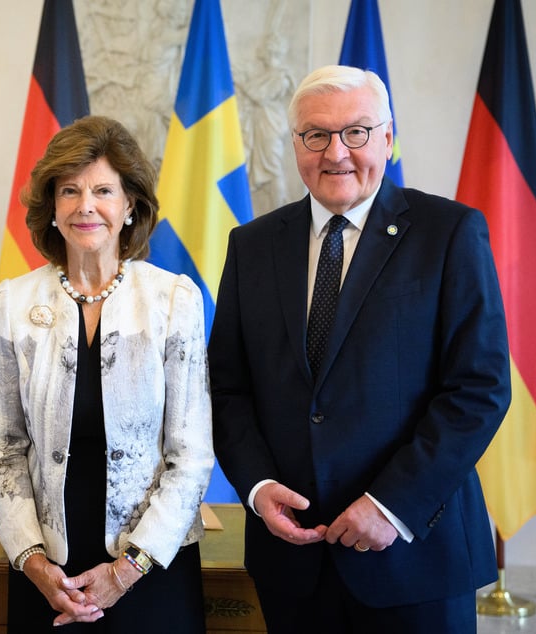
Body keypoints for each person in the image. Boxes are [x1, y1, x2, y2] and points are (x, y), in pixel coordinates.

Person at [208, 65, 511, 633]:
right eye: (315, 135)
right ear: (295, 144)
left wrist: (391, 504)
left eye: (356, 132)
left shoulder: (449, 233)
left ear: (387, 138)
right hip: (292, 556)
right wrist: (256, 485)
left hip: (414, 553)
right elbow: (228, 387)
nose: (336, 152)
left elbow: (479, 389)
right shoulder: (251, 246)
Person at [0, 115, 213, 632]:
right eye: (70, 191)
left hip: (151, 566)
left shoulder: (174, 301)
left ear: (130, 205)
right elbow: (2, 446)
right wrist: (33, 561)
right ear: (53, 208)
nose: (86, 205)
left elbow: (191, 455)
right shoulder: (13, 304)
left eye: (103, 190)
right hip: (46, 571)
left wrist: (127, 570)